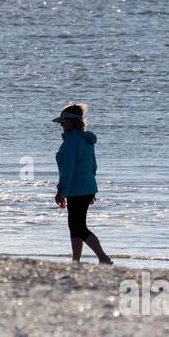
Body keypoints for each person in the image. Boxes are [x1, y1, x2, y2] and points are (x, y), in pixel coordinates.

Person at [53, 103, 113, 264]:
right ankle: (75, 261)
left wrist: (61, 189)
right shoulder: (86, 140)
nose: (61, 124)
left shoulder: (72, 141)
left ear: (72, 122)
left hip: (77, 189)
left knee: (78, 227)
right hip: (85, 188)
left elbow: (68, 167)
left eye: (63, 121)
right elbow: (93, 166)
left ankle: (103, 257)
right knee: (74, 226)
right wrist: (90, 189)